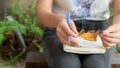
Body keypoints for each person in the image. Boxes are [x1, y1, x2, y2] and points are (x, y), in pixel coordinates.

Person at [36, 0, 120, 68]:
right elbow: (42, 9)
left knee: (97, 65)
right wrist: (58, 21)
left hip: (100, 34)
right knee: (67, 65)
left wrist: (118, 27)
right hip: (59, 29)